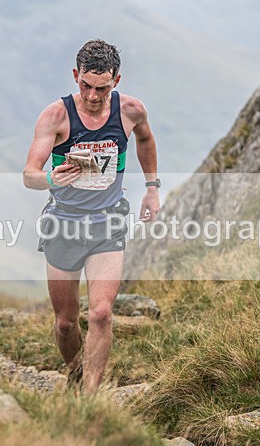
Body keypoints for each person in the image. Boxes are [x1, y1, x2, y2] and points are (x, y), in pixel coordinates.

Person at [23, 39, 160, 394]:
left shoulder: (130, 110)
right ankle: (76, 372)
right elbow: (29, 175)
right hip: (63, 223)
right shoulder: (55, 116)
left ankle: (90, 399)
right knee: (67, 323)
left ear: (117, 79)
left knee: (100, 313)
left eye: (103, 88)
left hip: (107, 221)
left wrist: (152, 187)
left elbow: (145, 139)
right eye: (86, 85)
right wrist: (51, 178)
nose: (94, 96)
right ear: (75, 76)